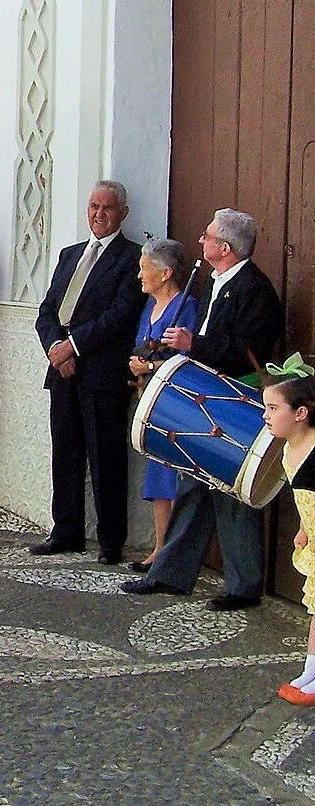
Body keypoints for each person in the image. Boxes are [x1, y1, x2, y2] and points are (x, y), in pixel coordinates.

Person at [121, 208, 284, 608]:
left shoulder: (255, 289)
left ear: (224, 248)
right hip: (208, 397)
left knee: (234, 493)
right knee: (193, 488)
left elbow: (249, 351)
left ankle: (243, 587)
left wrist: (193, 344)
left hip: (234, 406)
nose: (201, 241)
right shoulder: (215, 281)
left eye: (208, 236)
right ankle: (170, 574)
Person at [31, 181, 145, 565]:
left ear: (122, 213)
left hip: (102, 372)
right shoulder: (70, 254)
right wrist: (55, 348)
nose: (99, 214)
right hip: (63, 370)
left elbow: (120, 315)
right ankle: (66, 531)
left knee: (105, 456)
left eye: (107, 208)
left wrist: (74, 345)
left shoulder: (132, 258)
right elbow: (48, 310)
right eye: (93, 206)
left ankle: (111, 540)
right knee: (65, 453)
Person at [125, 239, 197, 572]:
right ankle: (159, 548)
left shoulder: (186, 306)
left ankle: (172, 553)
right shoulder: (149, 306)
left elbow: (186, 357)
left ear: (165, 273)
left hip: (175, 402)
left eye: (145, 269)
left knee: (171, 474)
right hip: (151, 401)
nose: (140, 275)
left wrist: (151, 366)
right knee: (156, 474)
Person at [262, 362, 315, 705]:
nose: (265, 416)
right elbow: (305, 498)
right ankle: (311, 669)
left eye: (273, 408)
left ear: (300, 413)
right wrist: (303, 528)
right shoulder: (287, 451)